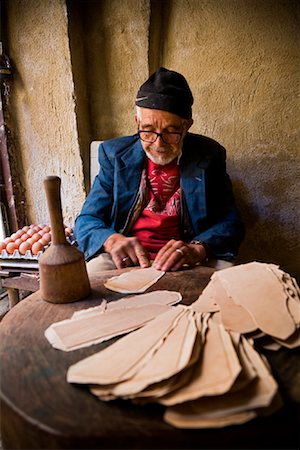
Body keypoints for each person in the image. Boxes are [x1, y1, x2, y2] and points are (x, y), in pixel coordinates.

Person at [75, 67, 245, 273]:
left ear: (187, 126)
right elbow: (86, 220)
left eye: (171, 132)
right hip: (128, 258)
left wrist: (198, 249)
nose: (158, 143)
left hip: (187, 259)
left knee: (228, 281)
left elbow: (231, 223)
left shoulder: (209, 156)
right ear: (137, 122)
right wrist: (111, 241)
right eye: (147, 131)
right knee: (91, 277)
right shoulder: (114, 155)